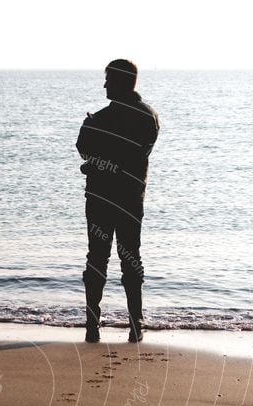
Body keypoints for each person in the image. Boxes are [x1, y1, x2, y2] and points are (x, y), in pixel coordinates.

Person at [76, 59, 159, 343]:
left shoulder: (100, 119)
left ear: (124, 81)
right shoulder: (147, 117)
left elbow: (85, 148)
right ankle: (134, 325)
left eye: (109, 79)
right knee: (129, 258)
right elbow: (90, 149)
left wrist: (97, 163)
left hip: (104, 198)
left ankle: (93, 325)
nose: (104, 85)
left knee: (99, 259)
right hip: (129, 200)